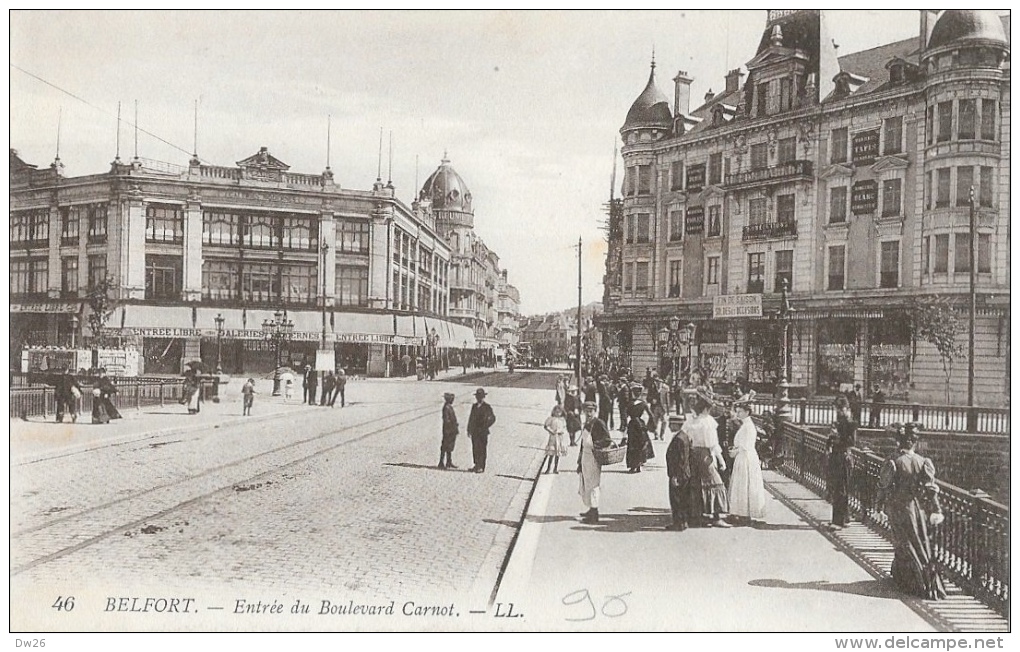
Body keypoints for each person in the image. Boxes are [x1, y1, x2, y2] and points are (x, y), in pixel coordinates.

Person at [878, 423, 947, 600]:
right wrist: (936, 510)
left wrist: (878, 507)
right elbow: (931, 490)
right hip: (917, 509)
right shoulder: (923, 462)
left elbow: (883, 487)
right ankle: (925, 580)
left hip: (899, 508)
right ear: (914, 443)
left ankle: (909, 581)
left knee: (903, 542)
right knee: (919, 541)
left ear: (898, 442)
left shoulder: (894, 461)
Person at [683, 390, 730, 527]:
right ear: (706, 409)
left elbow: (685, 436)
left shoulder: (691, 420)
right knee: (715, 482)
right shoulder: (708, 422)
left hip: (693, 454)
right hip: (705, 455)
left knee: (697, 483)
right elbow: (713, 444)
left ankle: (698, 514)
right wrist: (721, 460)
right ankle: (716, 516)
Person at [727, 400, 766, 525]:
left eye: (740, 412)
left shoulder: (748, 426)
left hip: (746, 457)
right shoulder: (745, 425)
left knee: (744, 485)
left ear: (747, 412)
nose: (737, 414)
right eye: (737, 411)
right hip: (742, 456)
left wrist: (735, 451)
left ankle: (744, 513)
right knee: (741, 485)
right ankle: (739, 512)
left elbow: (746, 445)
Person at [577, 400, 614, 524]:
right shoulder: (587, 423)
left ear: (595, 411)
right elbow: (582, 444)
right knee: (586, 484)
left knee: (593, 485)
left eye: (591, 411)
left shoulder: (598, 423)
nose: (588, 413)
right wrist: (579, 460)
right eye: (586, 411)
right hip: (585, 457)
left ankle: (594, 514)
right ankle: (591, 509)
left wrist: (595, 446)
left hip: (593, 457)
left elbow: (607, 440)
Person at [827, 396, 857, 530]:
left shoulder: (850, 423)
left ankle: (838, 521)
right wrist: (831, 439)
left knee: (841, 489)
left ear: (846, 409)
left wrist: (837, 437)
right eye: (837, 409)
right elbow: (832, 439)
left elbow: (851, 442)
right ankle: (845, 518)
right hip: (837, 456)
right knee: (838, 488)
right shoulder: (840, 421)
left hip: (843, 457)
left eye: (840, 409)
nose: (838, 412)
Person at [664, 414, 693, 531]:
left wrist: (675, 476)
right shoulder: (683, 436)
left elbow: (681, 459)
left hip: (678, 474)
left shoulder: (679, 439)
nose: (669, 426)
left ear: (676, 425)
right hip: (684, 473)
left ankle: (679, 523)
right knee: (683, 498)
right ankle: (683, 522)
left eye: (671, 424)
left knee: (677, 499)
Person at [625, 384, 653, 473]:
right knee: (641, 444)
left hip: (632, 425)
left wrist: (625, 426)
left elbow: (625, 415)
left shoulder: (629, 403)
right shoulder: (643, 403)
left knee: (632, 445)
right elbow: (651, 415)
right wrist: (648, 426)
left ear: (633, 393)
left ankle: (633, 465)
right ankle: (639, 465)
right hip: (640, 426)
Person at [467, 388, 496, 473]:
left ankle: (481, 467)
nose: (479, 398)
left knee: (482, 449)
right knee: (475, 448)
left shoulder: (487, 407)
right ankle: (476, 465)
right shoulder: (474, 406)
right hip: (475, 431)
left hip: (483, 432)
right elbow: (471, 418)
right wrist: (469, 429)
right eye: (477, 397)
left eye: (480, 397)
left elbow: (493, 418)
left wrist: (486, 425)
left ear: (483, 397)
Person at [542, 405, 567, 474]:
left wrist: (561, 431)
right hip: (553, 438)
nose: (558, 413)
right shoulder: (551, 419)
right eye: (556, 412)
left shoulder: (562, 420)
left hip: (559, 438)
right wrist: (551, 431)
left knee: (558, 454)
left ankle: (555, 468)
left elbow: (564, 427)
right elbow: (546, 426)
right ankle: (548, 468)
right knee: (551, 454)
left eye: (559, 412)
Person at [439, 392, 459, 470]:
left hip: (450, 429)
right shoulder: (446, 407)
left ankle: (448, 461)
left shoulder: (448, 407)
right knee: (445, 445)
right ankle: (441, 462)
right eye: (452, 399)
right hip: (448, 429)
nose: (453, 400)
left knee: (449, 446)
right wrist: (453, 426)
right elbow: (447, 420)